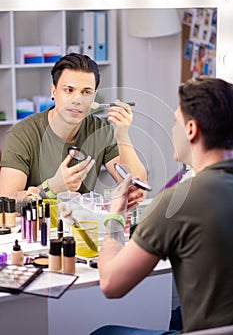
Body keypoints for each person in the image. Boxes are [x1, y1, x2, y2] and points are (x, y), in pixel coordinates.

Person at [91, 76, 233, 334]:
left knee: (104, 332)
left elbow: (111, 283)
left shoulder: (180, 201)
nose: (172, 130)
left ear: (191, 129)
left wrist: (114, 217)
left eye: (175, 122)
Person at [0, 53, 147, 199]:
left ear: (93, 97)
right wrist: (51, 188)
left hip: (81, 220)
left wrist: (123, 136)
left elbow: (136, 186)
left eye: (86, 92)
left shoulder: (101, 131)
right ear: (53, 91)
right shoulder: (22, 135)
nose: (77, 100)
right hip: (37, 222)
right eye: (69, 90)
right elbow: (6, 200)